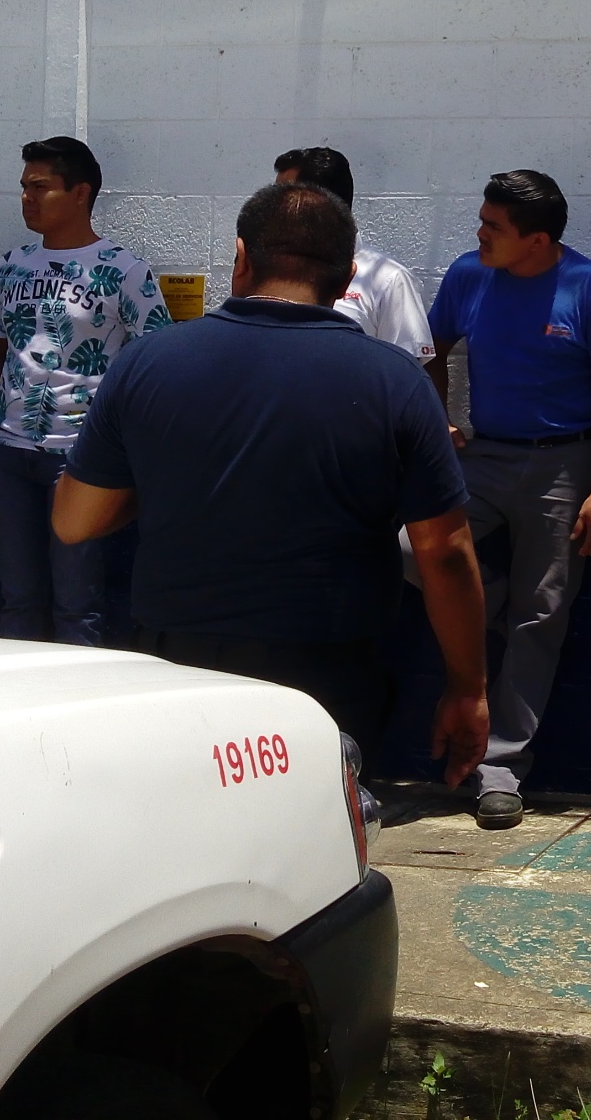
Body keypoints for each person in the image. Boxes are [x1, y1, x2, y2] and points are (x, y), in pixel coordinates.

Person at [51, 183, 489, 787]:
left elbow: (74, 521)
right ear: (346, 280)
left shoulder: (147, 362)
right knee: (316, 830)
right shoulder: (395, 381)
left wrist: (165, 476)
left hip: (179, 662)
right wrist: (467, 687)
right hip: (328, 670)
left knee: (187, 823)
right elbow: (445, 553)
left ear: (240, 258)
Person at [425, 169, 591, 831]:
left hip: (563, 464)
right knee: (410, 549)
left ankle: (501, 769)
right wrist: (438, 419)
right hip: (484, 458)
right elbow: (429, 352)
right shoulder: (468, 275)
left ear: (537, 240)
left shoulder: (589, 286)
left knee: (542, 615)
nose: (479, 234)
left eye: (494, 226)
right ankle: (496, 607)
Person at [0, 137, 169, 646]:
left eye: (40, 187)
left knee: (77, 604)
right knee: (17, 599)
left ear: (80, 193)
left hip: (81, 458)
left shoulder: (124, 270)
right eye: (23, 187)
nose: (27, 198)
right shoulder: (13, 264)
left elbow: (155, 357)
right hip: (9, 452)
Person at [273, 145, 435, 361]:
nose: (272, 208)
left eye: (283, 198)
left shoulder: (390, 280)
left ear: (321, 204)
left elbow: (405, 370)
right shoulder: (270, 273)